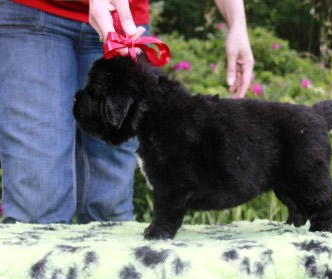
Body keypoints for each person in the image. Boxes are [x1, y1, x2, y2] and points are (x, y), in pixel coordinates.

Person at [0, 0, 254, 224]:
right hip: (32, 16)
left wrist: (237, 24)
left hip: (122, 22)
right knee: (37, 210)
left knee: (111, 212)